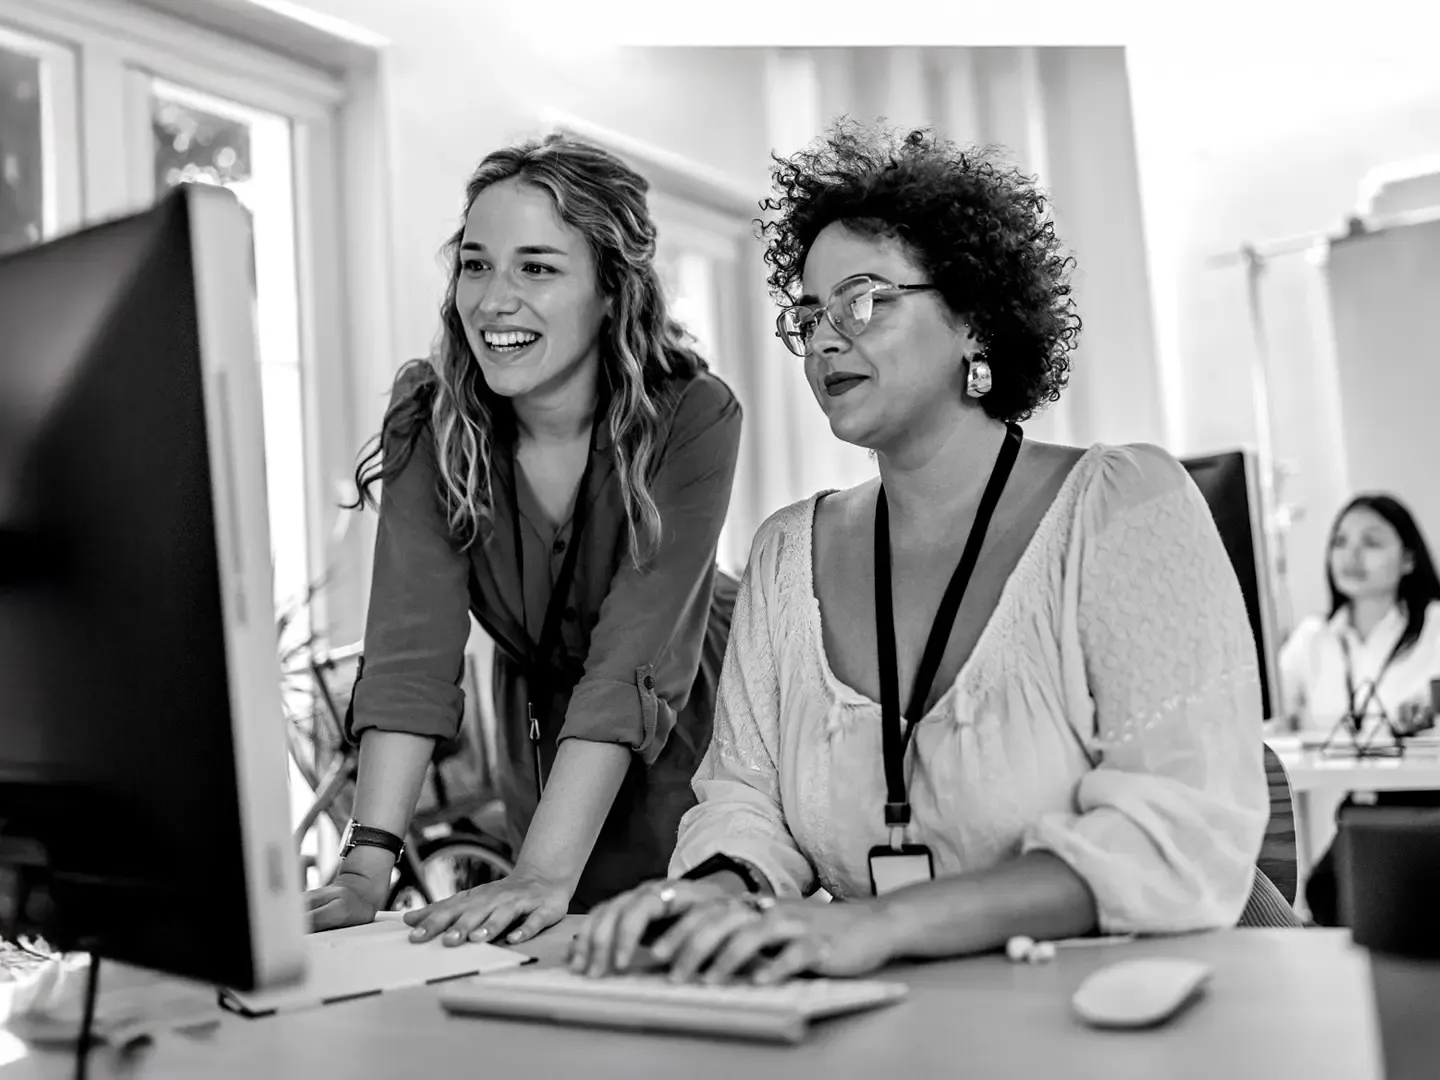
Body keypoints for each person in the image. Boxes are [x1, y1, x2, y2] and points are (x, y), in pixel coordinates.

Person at [569, 122, 1270, 984]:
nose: (826, 338)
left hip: (1130, 1015)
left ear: (974, 317)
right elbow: (744, 802)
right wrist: (718, 892)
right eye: (810, 315)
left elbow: (1174, 831)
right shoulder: (788, 554)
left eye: (863, 301)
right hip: (894, 1023)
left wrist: (881, 925)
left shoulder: (1123, 506)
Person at [305, 134, 743, 948]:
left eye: (536, 267)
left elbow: (630, 665)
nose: (493, 299)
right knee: (541, 957)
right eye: (476, 265)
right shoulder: (429, 419)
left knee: (661, 958)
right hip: (541, 731)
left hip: (685, 721)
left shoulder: (692, 417)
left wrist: (544, 870)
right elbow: (410, 653)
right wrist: (365, 865)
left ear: (612, 289)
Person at [1278, 494, 1440, 740]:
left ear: (1408, 559)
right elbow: (1266, 719)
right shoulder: (1311, 637)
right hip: (1324, 778)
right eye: (1340, 541)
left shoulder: (1435, 626)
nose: (1351, 554)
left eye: (1371, 542)